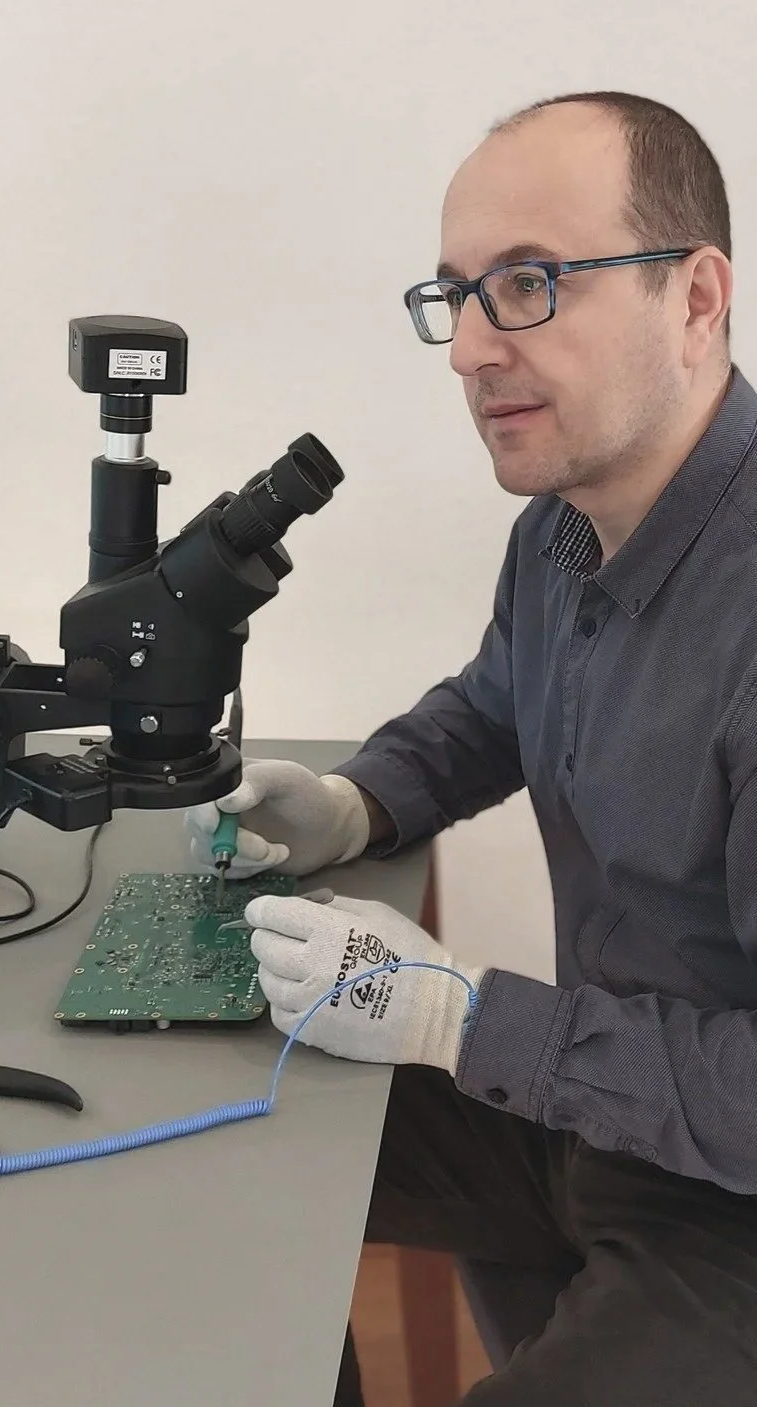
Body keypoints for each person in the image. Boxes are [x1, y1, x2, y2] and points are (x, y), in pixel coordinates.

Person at [184, 90, 757, 1404]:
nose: (468, 349)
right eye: (455, 296)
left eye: (529, 284)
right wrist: (349, 801)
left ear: (695, 296)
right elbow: (494, 710)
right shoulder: (561, 531)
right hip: (599, 1111)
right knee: (218, 1114)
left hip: (726, 1204)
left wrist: (464, 1016)